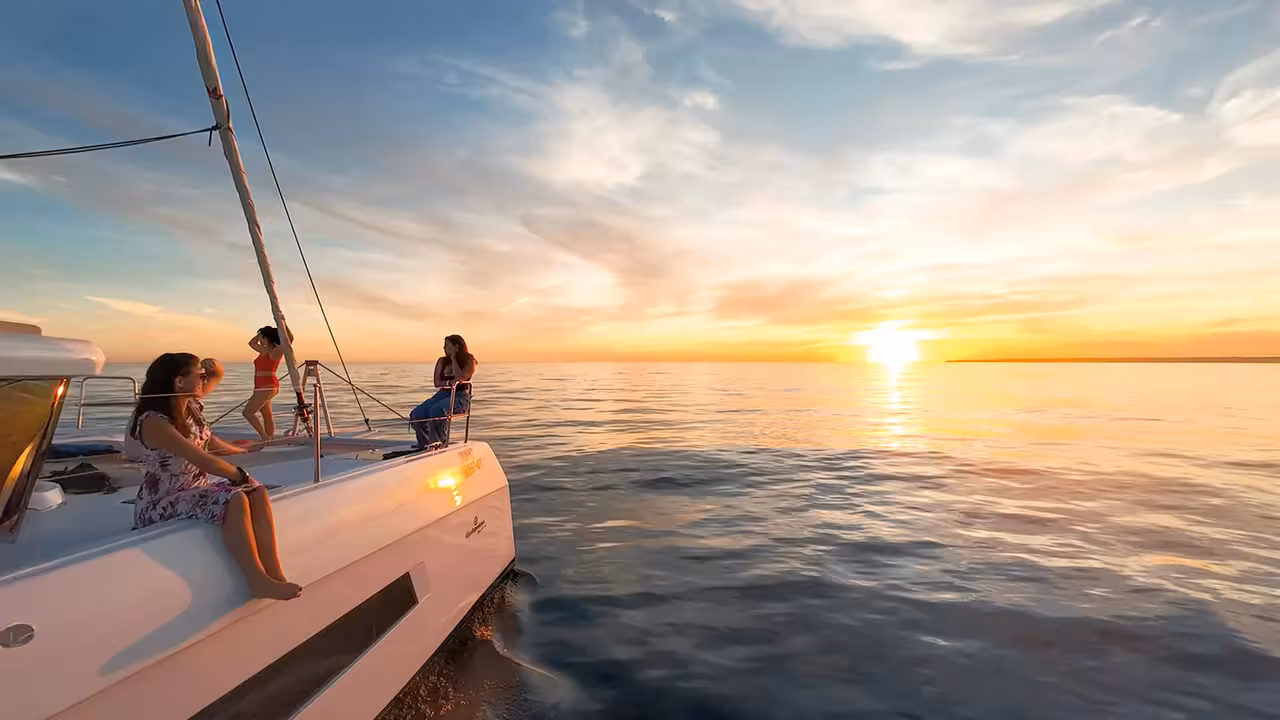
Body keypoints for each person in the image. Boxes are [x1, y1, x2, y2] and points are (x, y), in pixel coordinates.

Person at [130, 352, 301, 600]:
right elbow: (199, 457)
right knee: (233, 498)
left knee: (258, 491)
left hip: (193, 490)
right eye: (200, 375)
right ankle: (257, 580)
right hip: (161, 502)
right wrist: (239, 475)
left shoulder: (189, 408)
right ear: (179, 382)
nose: (204, 379)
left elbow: (208, 444)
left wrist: (244, 450)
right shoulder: (154, 422)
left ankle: (275, 574)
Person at [124, 357, 225, 461]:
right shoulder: (155, 418)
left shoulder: (163, 402)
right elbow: (196, 453)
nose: (203, 381)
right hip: (145, 459)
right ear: (179, 382)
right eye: (201, 376)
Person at [409, 335, 477, 449]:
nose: (444, 348)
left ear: (456, 347)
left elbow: (462, 376)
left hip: (460, 397)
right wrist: (450, 382)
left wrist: (454, 358)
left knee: (437, 410)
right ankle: (424, 443)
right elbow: (437, 382)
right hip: (442, 394)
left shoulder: (469, 360)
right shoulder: (441, 361)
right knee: (417, 413)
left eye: (447, 346)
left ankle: (440, 442)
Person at [243, 325, 292, 443]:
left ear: (269, 338)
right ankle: (270, 439)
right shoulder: (263, 350)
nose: (260, 339)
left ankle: (264, 438)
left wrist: (282, 325)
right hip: (260, 386)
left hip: (267, 386)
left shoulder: (275, 351)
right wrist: (260, 334)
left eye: (262, 337)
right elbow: (251, 343)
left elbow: (289, 339)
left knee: (248, 413)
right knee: (266, 414)